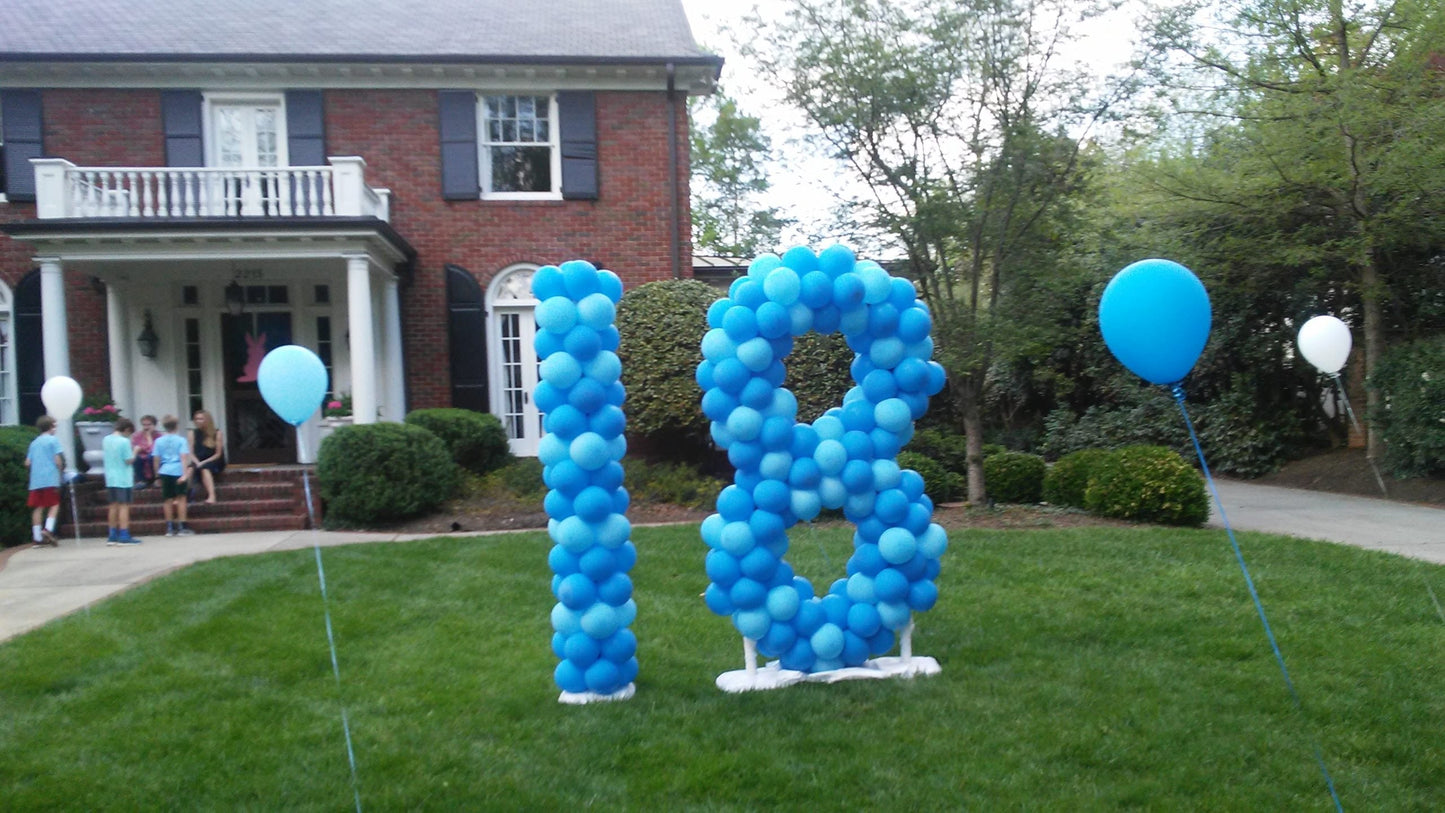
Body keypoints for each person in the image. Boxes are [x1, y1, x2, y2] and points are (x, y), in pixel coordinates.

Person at [24, 415, 65, 547]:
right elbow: (57, 460)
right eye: (55, 426)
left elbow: (27, 463)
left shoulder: (34, 443)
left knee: (38, 507)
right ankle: (47, 529)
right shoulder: (53, 441)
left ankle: (37, 538)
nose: (55, 429)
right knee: (54, 504)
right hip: (50, 478)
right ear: (50, 427)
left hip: (36, 481)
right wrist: (60, 470)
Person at [154, 414, 196, 537]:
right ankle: (182, 526)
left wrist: (157, 475)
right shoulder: (181, 440)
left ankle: (170, 527)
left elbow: (156, 459)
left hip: (165, 470)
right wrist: (185, 474)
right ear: (176, 426)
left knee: (167, 499)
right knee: (181, 498)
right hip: (177, 470)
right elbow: (183, 457)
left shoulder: (158, 441)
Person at [103, 417, 142, 546]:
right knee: (123, 506)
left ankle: (112, 534)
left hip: (110, 477)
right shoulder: (124, 442)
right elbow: (128, 460)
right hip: (123, 478)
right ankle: (124, 534)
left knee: (113, 506)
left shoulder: (106, 440)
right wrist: (135, 451)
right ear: (127, 430)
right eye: (129, 433)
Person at [188, 409, 225, 505]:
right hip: (198, 460)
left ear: (207, 420)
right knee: (189, 470)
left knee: (205, 468)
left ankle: (212, 496)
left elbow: (218, 454)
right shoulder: (192, 433)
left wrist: (203, 463)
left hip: (213, 460)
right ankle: (183, 495)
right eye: (196, 419)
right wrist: (197, 462)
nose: (198, 421)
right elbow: (191, 453)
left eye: (201, 419)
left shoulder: (217, 433)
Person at [131, 414, 158, 488]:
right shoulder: (137, 436)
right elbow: (135, 448)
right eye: (144, 425)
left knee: (151, 456)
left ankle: (156, 480)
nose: (146, 427)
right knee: (137, 458)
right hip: (141, 459)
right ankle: (141, 481)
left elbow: (154, 450)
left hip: (154, 459)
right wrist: (144, 449)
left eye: (149, 425)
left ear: (154, 425)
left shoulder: (159, 436)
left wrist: (149, 438)